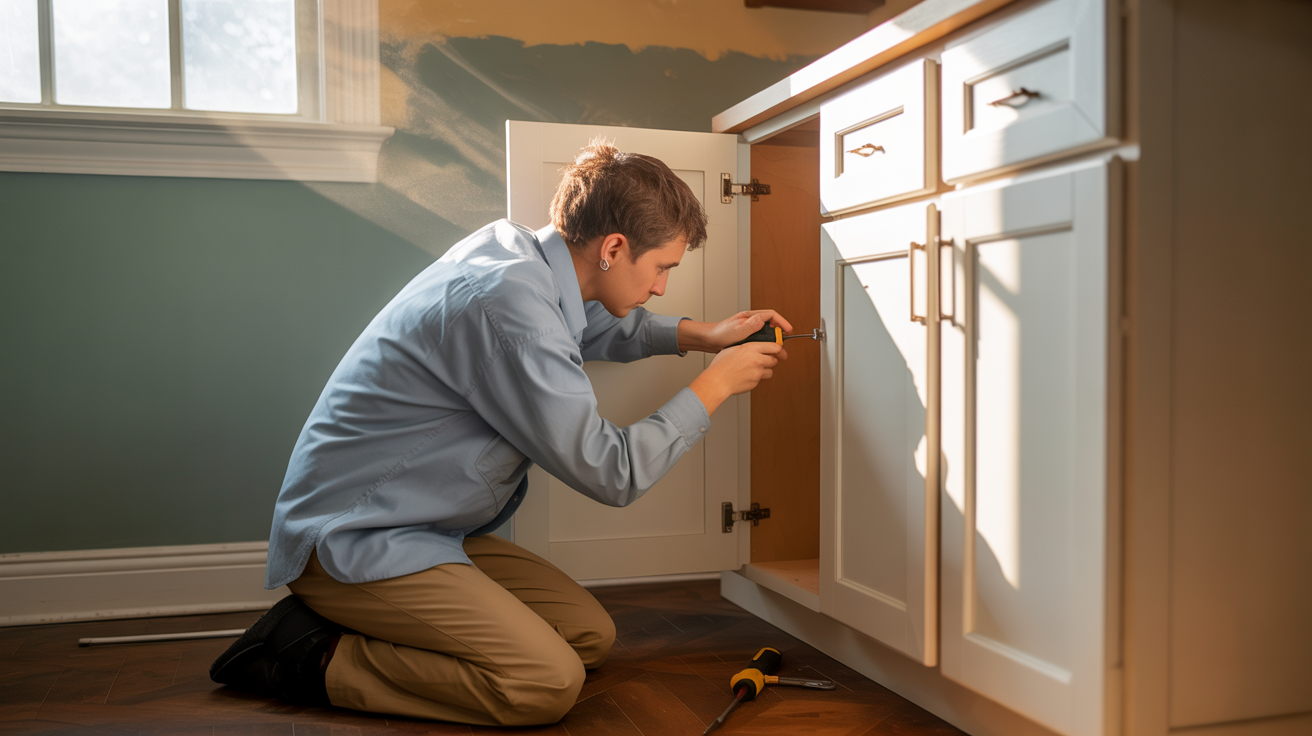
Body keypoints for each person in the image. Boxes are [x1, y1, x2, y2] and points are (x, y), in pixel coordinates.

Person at [209, 140, 792, 726]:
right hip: (355, 537)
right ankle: (310, 653)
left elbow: (581, 324)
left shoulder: (520, 255)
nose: (663, 287)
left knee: (587, 637)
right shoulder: (510, 307)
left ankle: (374, 624)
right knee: (543, 682)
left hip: (424, 526)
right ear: (614, 247)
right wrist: (715, 386)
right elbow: (612, 472)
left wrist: (704, 335)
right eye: (662, 267)